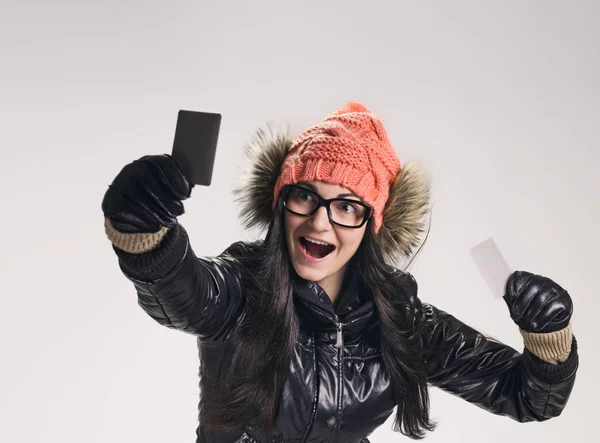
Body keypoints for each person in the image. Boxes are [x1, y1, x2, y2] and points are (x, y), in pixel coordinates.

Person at [101, 102, 578, 443]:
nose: (320, 220)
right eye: (305, 195)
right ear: (280, 204)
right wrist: (141, 232)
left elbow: (526, 396)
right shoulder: (241, 289)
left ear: (371, 225)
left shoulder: (400, 321)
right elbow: (182, 293)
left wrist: (549, 341)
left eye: (347, 206)